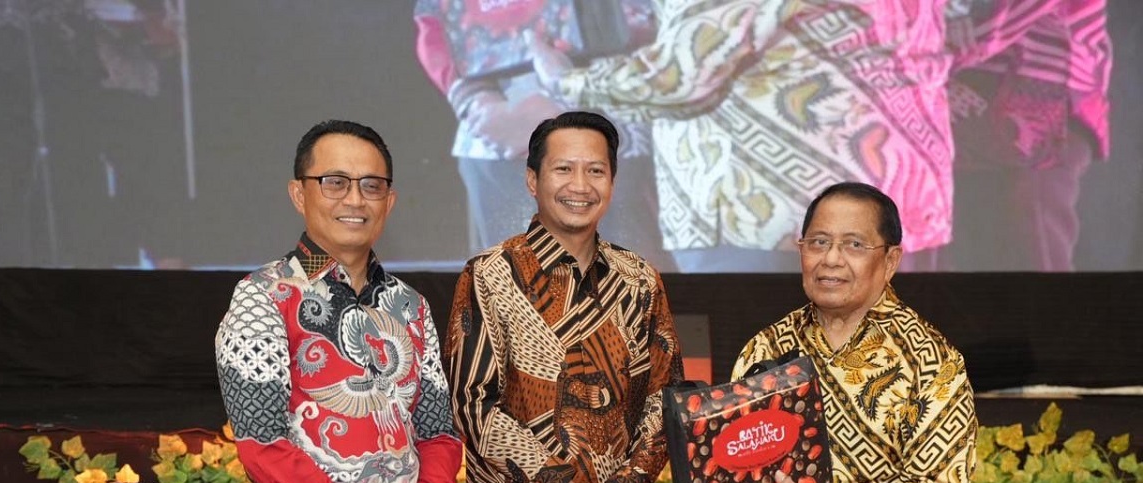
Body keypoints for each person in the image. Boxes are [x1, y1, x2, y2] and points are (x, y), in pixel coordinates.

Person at [214, 119, 462, 483]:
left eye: (372, 185)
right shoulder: (262, 297)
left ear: (390, 201)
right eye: (335, 182)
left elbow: (440, 434)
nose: (355, 199)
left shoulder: (410, 307)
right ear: (298, 193)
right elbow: (262, 444)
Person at [445, 110, 683, 483]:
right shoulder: (490, 275)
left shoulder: (640, 280)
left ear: (612, 182)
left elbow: (663, 399)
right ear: (533, 179)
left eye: (595, 170)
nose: (580, 185)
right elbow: (473, 405)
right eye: (563, 169)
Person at [728, 182, 976, 483]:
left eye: (854, 244)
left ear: (891, 260)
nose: (831, 260)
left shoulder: (932, 361)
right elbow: (732, 465)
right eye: (818, 242)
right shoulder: (766, 350)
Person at [529, 0, 962, 273]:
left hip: (771, 214)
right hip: (901, 202)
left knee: (768, 390)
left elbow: (678, 80)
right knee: (880, 376)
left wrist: (563, 79)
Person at [411, 0, 672, 269]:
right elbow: (434, 23)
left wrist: (563, 101)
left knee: (629, 278)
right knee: (518, 282)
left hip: (610, 125)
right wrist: (478, 104)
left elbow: (664, 23)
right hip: (498, 135)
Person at [946, 0, 1111, 271]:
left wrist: (932, 47)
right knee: (974, 236)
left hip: (1047, 97)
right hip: (972, 104)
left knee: (1033, 224)